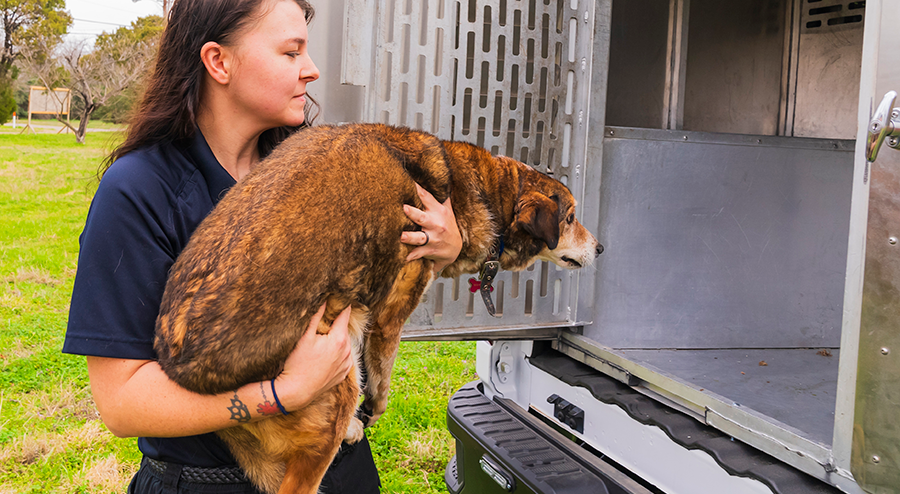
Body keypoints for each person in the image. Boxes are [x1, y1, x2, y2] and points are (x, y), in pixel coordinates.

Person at [62, 0, 462, 492]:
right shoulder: (140, 190)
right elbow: (122, 403)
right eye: (290, 53)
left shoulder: (321, 167)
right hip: (214, 480)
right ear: (219, 62)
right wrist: (284, 392)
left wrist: (441, 245)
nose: (312, 70)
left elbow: (368, 295)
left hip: (343, 464)